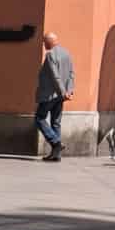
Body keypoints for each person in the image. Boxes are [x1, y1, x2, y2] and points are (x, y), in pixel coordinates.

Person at [35, 31, 75, 162]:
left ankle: (56, 142)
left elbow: (55, 76)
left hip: (50, 94)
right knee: (55, 123)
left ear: (49, 41)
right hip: (61, 95)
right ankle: (56, 154)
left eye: (44, 41)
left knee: (39, 119)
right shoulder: (66, 53)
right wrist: (69, 91)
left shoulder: (50, 55)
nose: (43, 44)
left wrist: (63, 92)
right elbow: (71, 74)